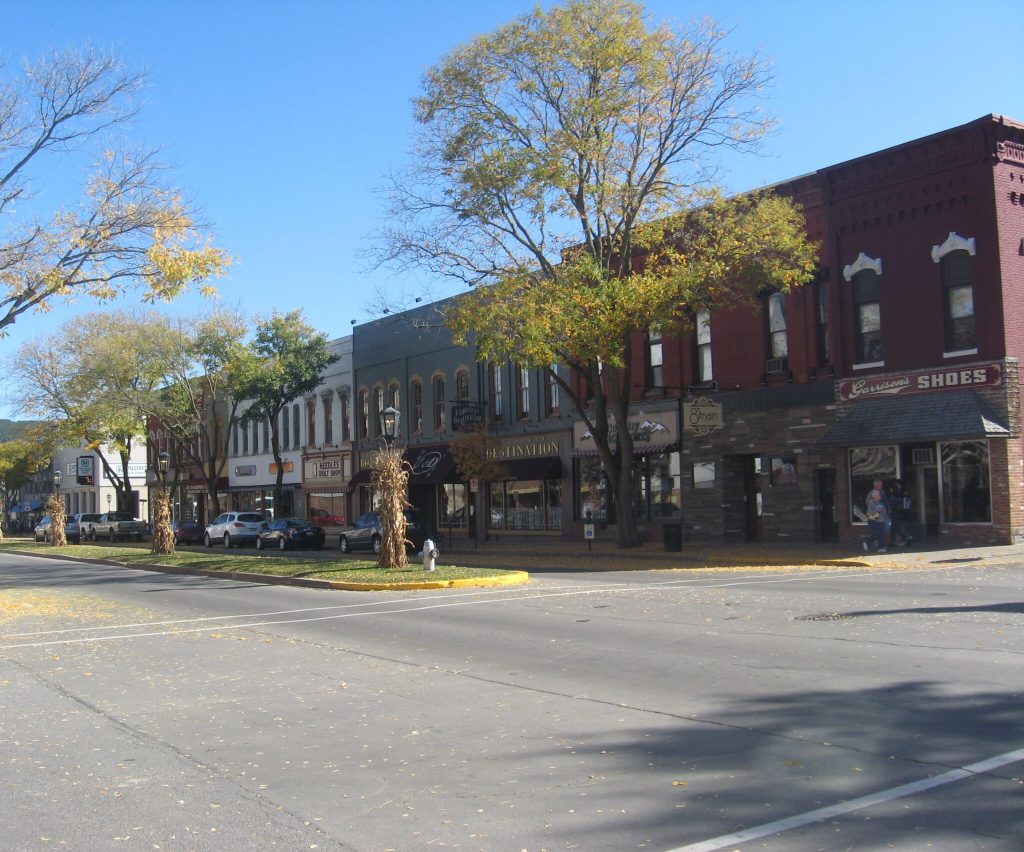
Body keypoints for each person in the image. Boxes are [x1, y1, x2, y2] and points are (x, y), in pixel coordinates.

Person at [863, 479, 891, 553]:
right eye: (879, 484)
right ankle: (870, 543)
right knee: (877, 533)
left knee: (883, 531)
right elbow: (869, 510)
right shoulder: (872, 497)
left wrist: (885, 512)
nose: (881, 486)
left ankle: (881, 547)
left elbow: (885, 505)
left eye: (881, 484)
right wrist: (877, 510)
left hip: (882, 518)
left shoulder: (882, 493)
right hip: (874, 518)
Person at [888, 480, 913, 546]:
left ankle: (906, 537)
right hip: (903, 512)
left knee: (898, 526)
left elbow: (893, 501)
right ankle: (892, 541)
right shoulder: (905, 492)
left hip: (897, 511)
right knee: (894, 527)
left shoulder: (897, 493)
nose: (896, 486)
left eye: (897, 484)